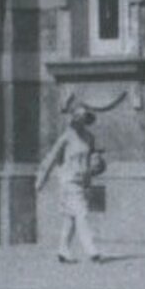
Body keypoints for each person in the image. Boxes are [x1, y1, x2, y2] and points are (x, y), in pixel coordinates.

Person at [37, 99, 105, 264]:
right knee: (82, 213)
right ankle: (92, 251)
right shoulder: (66, 137)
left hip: (82, 181)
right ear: (74, 118)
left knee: (71, 218)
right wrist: (42, 179)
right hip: (68, 181)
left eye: (84, 116)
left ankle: (63, 250)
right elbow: (52, 157)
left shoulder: (89, 138)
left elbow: (91, 159)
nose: (81, 120)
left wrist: (96, 166)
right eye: (78, 116)